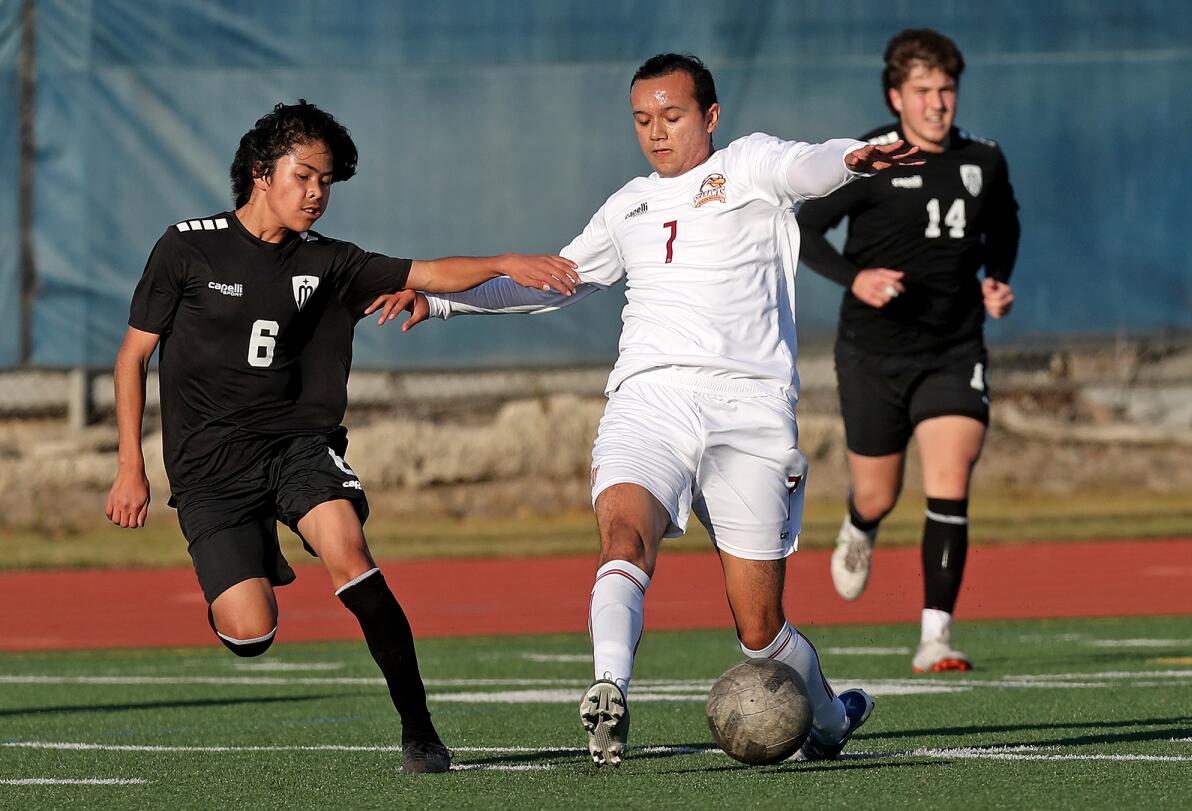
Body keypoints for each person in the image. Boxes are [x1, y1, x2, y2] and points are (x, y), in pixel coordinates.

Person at [373, 53, 921, 766]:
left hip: (747, 410)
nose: (656, 132)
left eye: (672, 115)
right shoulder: (627, 205)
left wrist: (855, 156)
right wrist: (442, 299)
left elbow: (810, 165)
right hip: (649, 399)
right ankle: (609, 687)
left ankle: (827, 718)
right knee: (624, 536)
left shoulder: (749, 166)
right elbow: (552, 285)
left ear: (710, 116)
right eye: (642, 119)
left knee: (759, 632)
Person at [103, 100, 579, 774]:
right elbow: (131, 357)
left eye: (327, 181)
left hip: (296, 445)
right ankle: (255, 552)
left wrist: (506, 260)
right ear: (262, 173)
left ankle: (420, 731)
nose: (318, 193)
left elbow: (428, 273)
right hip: (208, 467)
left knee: (348, 547)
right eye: (306, 176)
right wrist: (131, 465)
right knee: (251, 631)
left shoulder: (330, 262)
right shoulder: (186, 246)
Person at [796, 29, 1019, 673]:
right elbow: (805, 232)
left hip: (954, 348)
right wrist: (856, 279)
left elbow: (1005, 223)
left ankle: (935, 637)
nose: (937, 103)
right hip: (874, 354)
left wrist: (998, 279)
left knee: (950, 483)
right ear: (897, 96)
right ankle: (860, 527)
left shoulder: (985, 159)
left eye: (947, 89)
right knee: (877, 492)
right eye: (923, 91)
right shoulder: (872, 159)